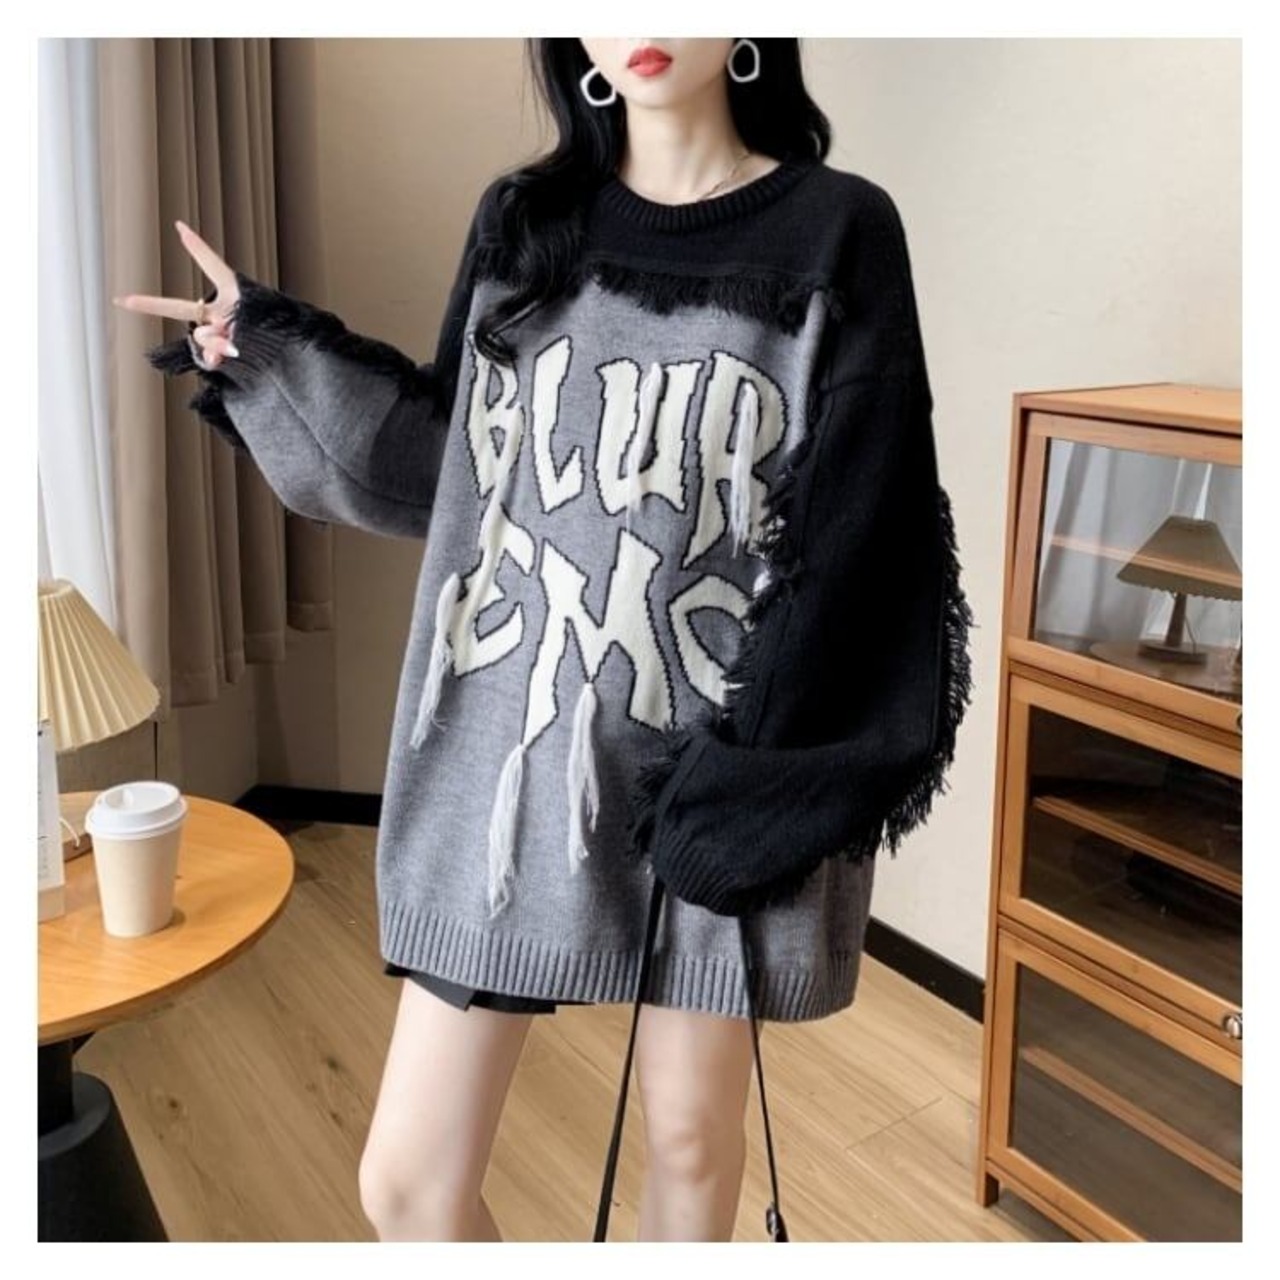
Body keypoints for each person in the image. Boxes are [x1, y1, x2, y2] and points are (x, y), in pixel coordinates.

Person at [115, 37, 974, 1243]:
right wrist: (267, 349)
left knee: (689, 1138)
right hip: (511, 747)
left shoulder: (835, 228)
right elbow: (448, 463)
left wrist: (762, 777)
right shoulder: (524, 221)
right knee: (407, 1183)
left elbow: (864, 524)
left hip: (718, 758)